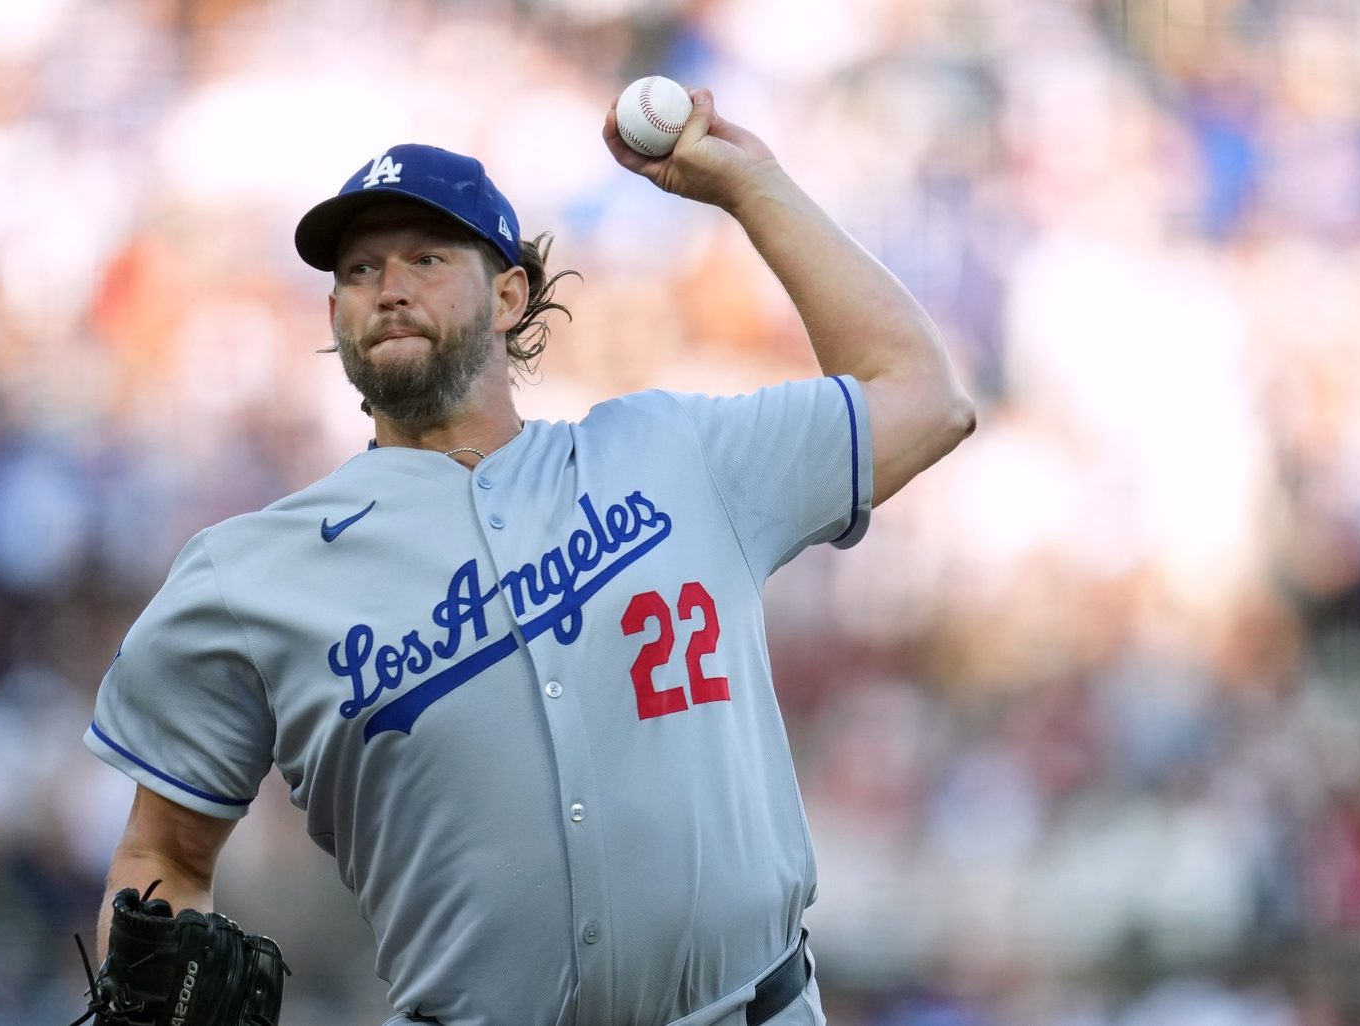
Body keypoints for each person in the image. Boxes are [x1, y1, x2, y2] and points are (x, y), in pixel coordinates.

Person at [83, 86, 975, 1026]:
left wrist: (751, 186)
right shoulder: (249, 575)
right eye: (357, 269)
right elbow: (163, 860)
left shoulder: (678, 455)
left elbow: (924, 398)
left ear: (511, 293)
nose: (389, 287)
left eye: (427, 258)